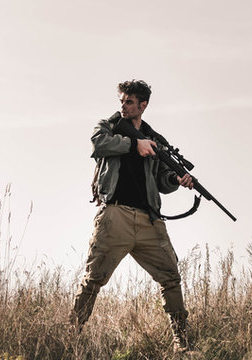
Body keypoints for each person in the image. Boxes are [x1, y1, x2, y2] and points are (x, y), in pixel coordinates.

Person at [72, 79, 195, 351]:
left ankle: (182, 342)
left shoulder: (155, 140)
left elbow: (162, 183)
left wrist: (176, 179)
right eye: (122, 101)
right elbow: (97, 144)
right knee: (93, 279)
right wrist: (133, 145)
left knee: (171, 278)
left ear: (143, 105)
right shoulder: (109, 126)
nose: (124, 106)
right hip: (115, 215)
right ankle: (71, 338)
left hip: (149, 220)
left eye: (129, 102)